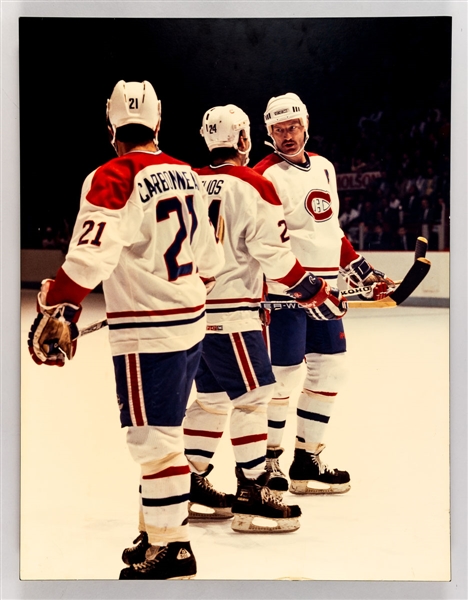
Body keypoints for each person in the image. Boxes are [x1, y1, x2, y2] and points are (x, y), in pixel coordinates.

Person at [27, 80, 224, 580]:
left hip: (147, 333)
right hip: (191, 322)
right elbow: (209, 261)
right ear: (158, 125)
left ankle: (172, 548)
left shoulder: (110, 175)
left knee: (152, 441)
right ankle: (154, 531)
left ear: (111, 129)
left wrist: (57, 303)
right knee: (167, 433)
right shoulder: (188, 173)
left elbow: (90, 257)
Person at [182, 104, 347, 533]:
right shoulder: (256, 183)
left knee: (212, 401)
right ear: (244, 140)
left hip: (193, 314)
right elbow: (273, 255)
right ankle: (253, 494)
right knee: (255, 399)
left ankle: (190, 482)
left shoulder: (189, 181)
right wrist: (314, 291)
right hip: (235, 312)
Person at [253, 93, 394, 495]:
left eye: (293, 127)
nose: (287, 136)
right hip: (287, 292)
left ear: (305, 124)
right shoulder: (264, 174)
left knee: (331, 370)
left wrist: (359, 268)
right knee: (282, 378)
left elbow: (330, 229)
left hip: (327, 291)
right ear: (270, 133)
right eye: (279, 130)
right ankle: (270, 463)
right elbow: (266, 241)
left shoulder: (326, 167)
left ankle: (306, 459)